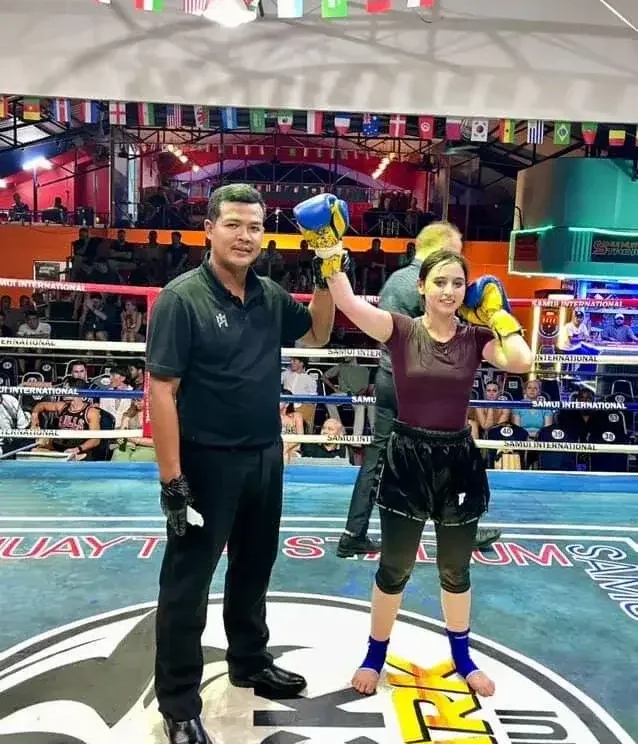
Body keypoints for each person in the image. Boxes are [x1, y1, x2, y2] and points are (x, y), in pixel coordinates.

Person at [293, 197, 532, 699]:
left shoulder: (474, 337)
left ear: (465, 291)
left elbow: (520, 361)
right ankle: (374, 656)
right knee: (394, 567)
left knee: (455, 568)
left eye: (457, 283)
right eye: (440, 281)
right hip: (406, 456)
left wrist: (499, 313)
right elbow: (349, 303)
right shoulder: (400, 330)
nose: (449, 290)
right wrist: (330, 248)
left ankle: (463, 659)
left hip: (457, 461)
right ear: (420, 286)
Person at [146, 183, 335, 744]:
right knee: (187, 584)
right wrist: (171, 480)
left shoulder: (271, 295)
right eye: (233, 224)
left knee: (255, 568)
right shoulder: (182, 299)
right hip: (205, 464)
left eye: (254, 226)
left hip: (263, 455)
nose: (245, 236)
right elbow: (161, 390)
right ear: (209, 228)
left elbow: (320, 333)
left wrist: (328, 264)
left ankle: (249, 660)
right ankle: (179, 703)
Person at [334, 221, 502, 559]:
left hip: (387, 378)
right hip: (416, 384)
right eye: (456, 253)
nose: (456, 275)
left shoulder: (396, 278)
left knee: (379, 456)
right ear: (443, 250)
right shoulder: (427, 286)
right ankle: (456, 527)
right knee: (443, 449)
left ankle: (354, 531)